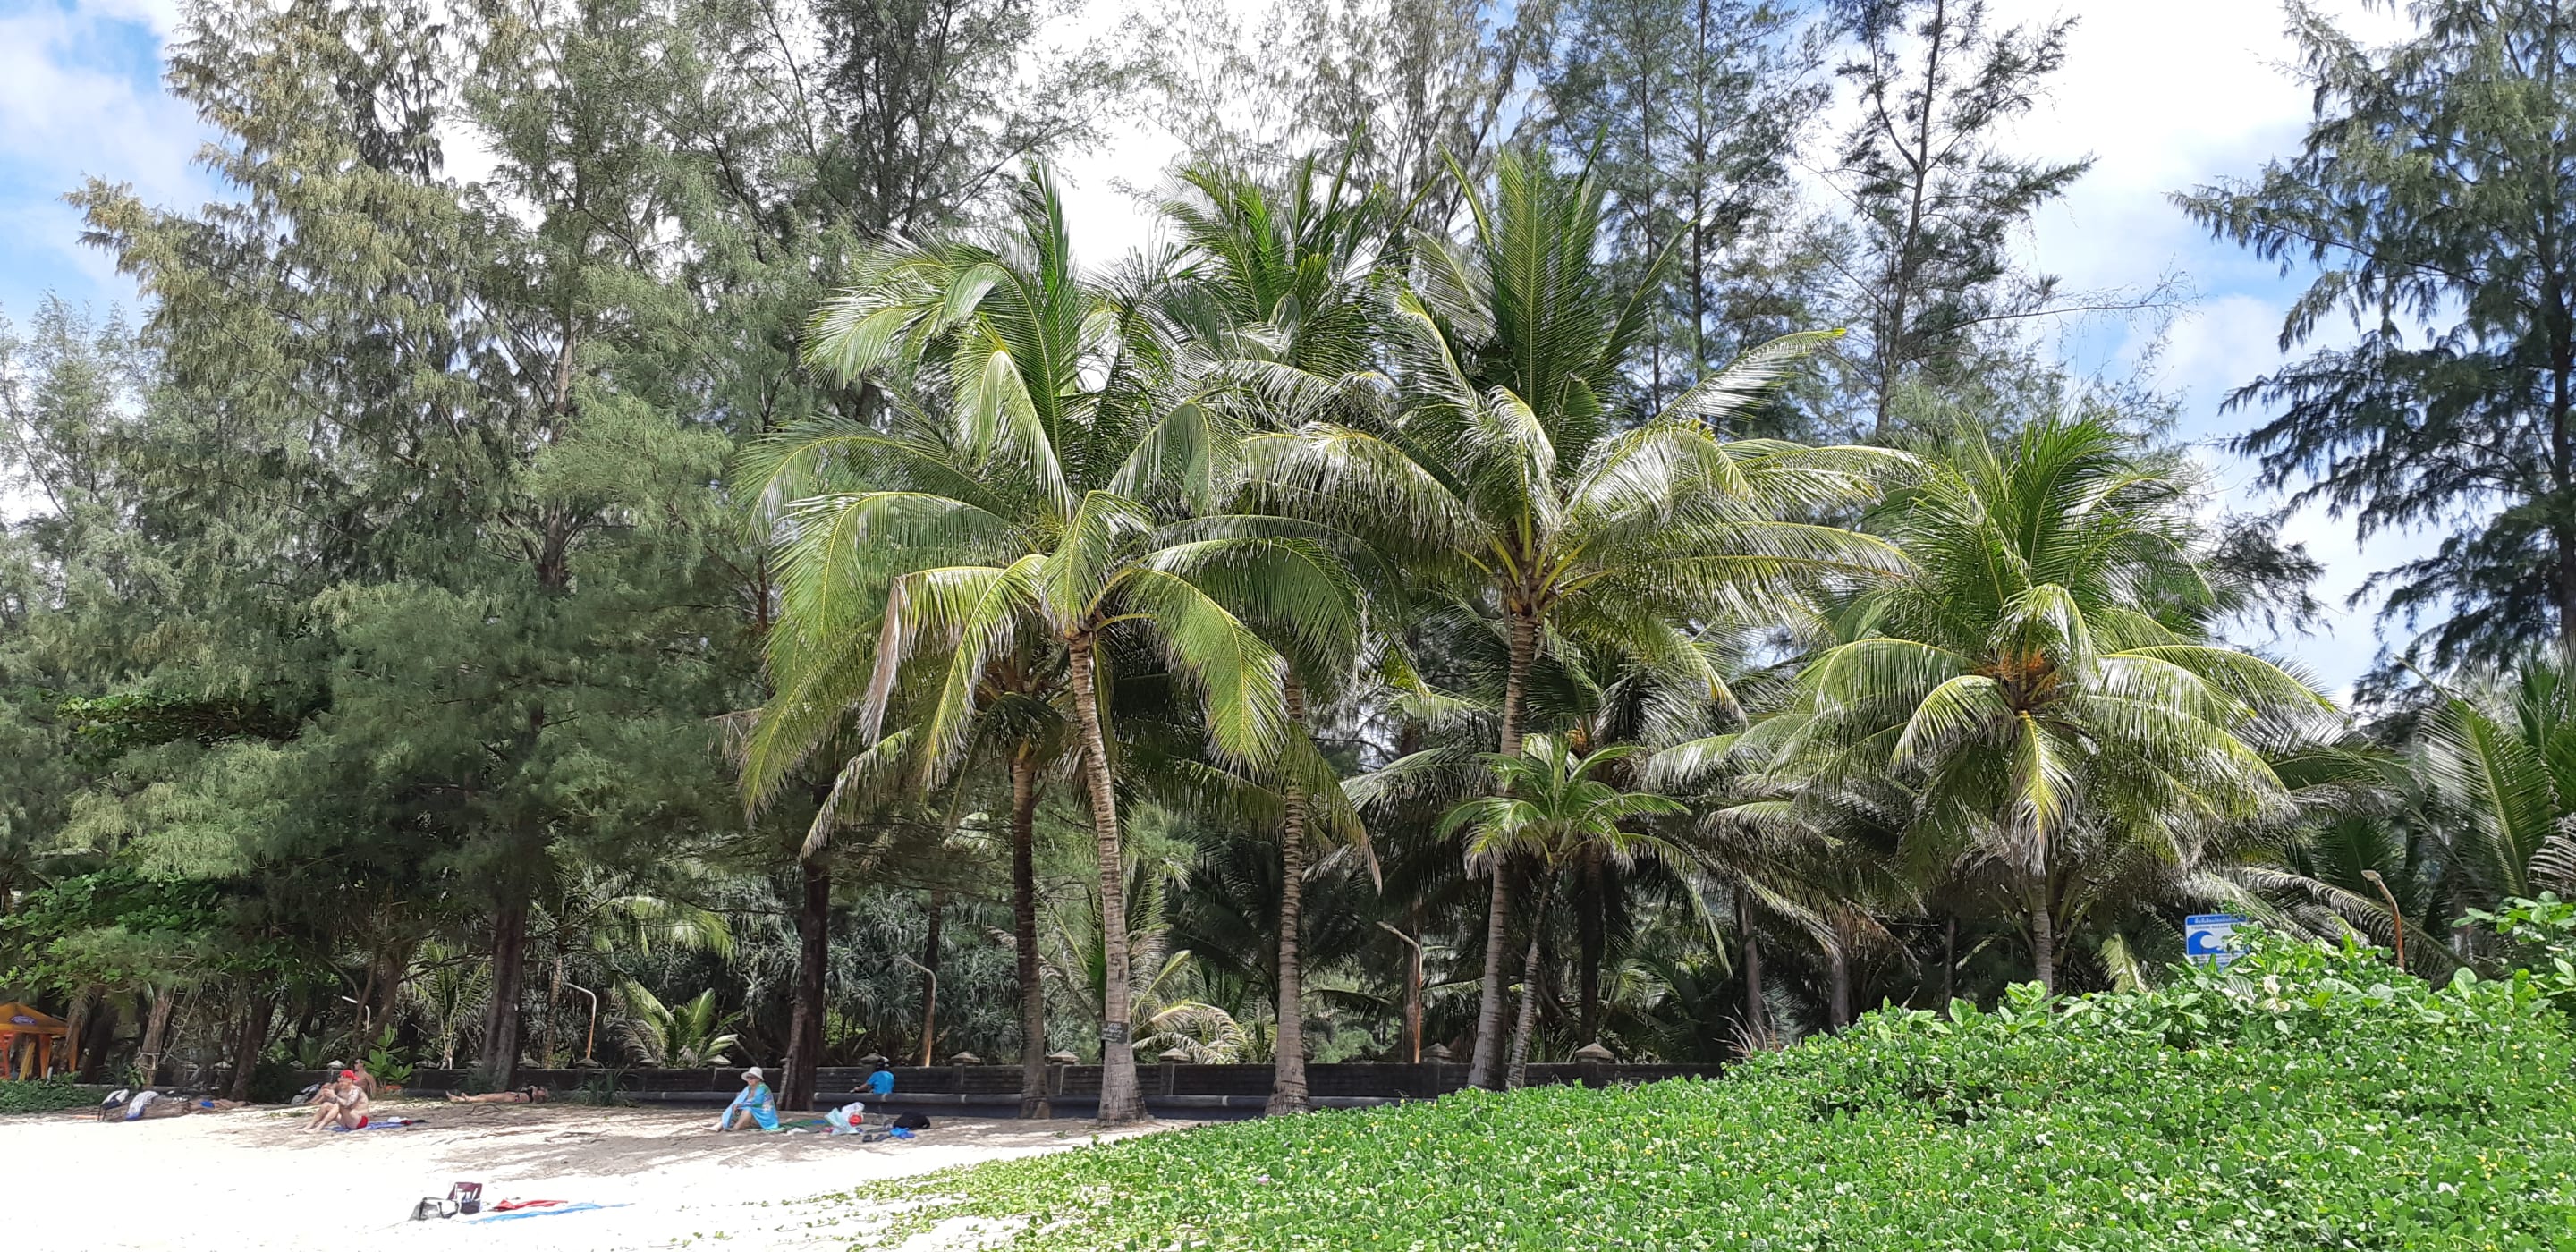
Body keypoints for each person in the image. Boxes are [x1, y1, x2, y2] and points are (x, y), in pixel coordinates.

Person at [714, 1067, 777, 1131]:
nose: (749, 1079)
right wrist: (736, 1105)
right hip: (751, 1115)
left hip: (762, 1116)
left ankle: (736, 1128)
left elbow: (756, 1102)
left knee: (748, 1109)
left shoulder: (763, 1088)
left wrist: (741, 1105)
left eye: (752, 1077)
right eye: (748, 1077)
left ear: (758, 1079)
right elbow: (738, 1101)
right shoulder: (748, 1088)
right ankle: (718, 1126)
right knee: (731, 1108)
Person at [446, 1085, 551, 1104]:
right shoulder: (533, 1092)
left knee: (489, 1098)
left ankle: (468, 1099)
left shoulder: (536, 1098)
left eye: (542, 1091)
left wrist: (534, 1088)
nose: (540, 1090)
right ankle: (459, 1099)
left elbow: (534, 1091)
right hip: (512, 1095)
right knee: (485, 1095)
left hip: (514, 1098)